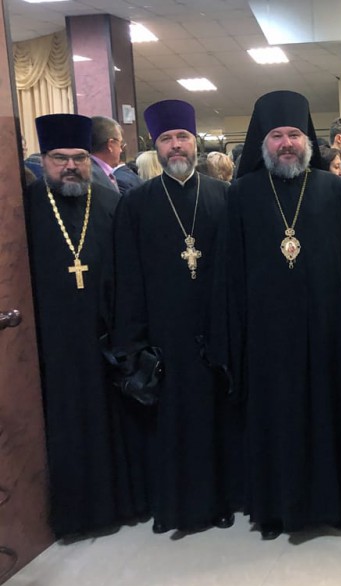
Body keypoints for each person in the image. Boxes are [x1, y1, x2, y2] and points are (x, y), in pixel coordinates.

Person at [215, 90, 341, 539]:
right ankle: (274, 509)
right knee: (275, 422)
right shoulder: (243, 193)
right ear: (263, 142)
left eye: (293, 134)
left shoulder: (331, 189)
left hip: (327, 331)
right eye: (276, 136)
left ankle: (335, 502)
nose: (286, 143)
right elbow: (230, 272)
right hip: (266, 338)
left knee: (329, 415)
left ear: (307, 139)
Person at [111, 99, 237, 534]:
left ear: (195, 142)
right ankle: (179, 507)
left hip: (217, 327)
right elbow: (128, 279)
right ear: (156, 147)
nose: (176, 146)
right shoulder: (136, 203)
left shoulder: (224, 195)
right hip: (165, 334)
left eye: (183, 136)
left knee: (219, 417)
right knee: (174, 423)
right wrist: (133, 342)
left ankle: (224, 500)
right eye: (167, 139)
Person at [25, 114, 133, 538]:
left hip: (104, 333)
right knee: (66, 423)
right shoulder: (26, 207)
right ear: (44, 160)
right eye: (59, 158)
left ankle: (121, 503)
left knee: (112, 419)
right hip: (51, 339)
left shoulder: (109, 202)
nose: (70, 166)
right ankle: (73, 515)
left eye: (79, 157)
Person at [90, 115, 141, 194]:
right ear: (110, 145)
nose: (121, 150)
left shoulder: (100, 173)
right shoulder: (95, 177)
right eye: (120, 143)